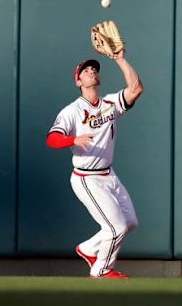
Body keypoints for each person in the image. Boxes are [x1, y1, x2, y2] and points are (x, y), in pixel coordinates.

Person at [46, 49, 143, 279]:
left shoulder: (109, 103)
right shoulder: (72, 111)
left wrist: (119, 59)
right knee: (115, 228)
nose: (91, 72)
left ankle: (89, 249)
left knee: (129, 222)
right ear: (78, 81)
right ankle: (101, 270)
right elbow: (52, 139)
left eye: (94, 69)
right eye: (86, 71)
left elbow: (136, 89)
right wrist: (73, 139)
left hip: (109, 175)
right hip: (86, 178)